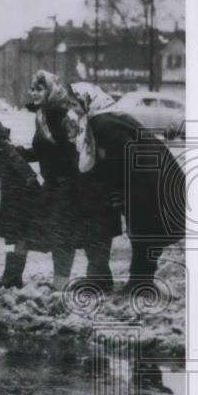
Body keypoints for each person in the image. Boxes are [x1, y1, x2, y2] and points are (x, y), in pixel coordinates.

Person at [69, 82, 185, 291]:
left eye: (74, 104)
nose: (73, 109)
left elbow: (125, 157)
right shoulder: (105, 117)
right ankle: (139, 281)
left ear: (87, 101)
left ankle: (140, 283)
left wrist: (123, 190)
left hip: (150, 180)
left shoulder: (103, 123)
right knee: (144, 232)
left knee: (145, 232)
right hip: (151, 176)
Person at [19, 71, 121, 290]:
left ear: (51, 90)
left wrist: (77, 185)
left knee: (75, 237)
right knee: (62, 238)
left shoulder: (66, 116)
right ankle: (69, 282)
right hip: (56, 186)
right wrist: (19, 153)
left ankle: (88, 282)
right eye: (32, 88)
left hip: (69, 186)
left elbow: (78, 152)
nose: (33, 93)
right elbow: (44, 150)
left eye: (39, 88)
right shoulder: (43, 114)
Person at [0, 107, 43, 288]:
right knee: (12, 235)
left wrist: (29, 179)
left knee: (13, 235)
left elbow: (11, 156)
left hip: (11, 191)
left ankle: (12, 275)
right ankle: (12, 274)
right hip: (9, 188)